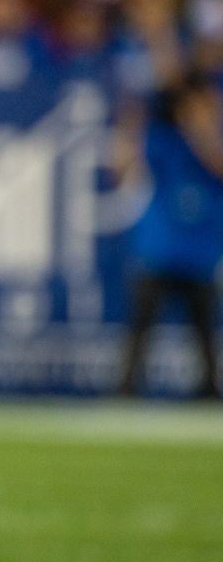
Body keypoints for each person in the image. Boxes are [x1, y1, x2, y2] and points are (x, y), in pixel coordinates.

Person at [116, 70, 223, 400]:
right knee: (140, 331)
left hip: (200, 253)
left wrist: (203, 130)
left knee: (204, 335)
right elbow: (124, 164)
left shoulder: (211, 144)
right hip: (159, 248)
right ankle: (126, 391)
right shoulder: (165, 139)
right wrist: (133, 120)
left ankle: (207, 392)